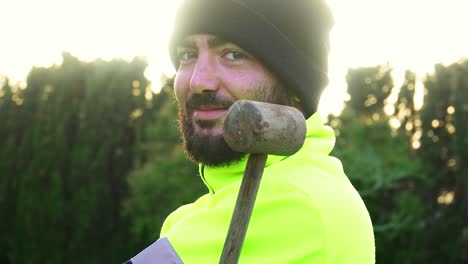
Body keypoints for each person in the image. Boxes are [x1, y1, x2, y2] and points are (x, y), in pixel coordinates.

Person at [126, 0, 375, 263]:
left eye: (233, 55)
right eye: (187, 54)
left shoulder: (295, 200)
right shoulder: (196, 214)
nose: (198, 81)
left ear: (296, 86)